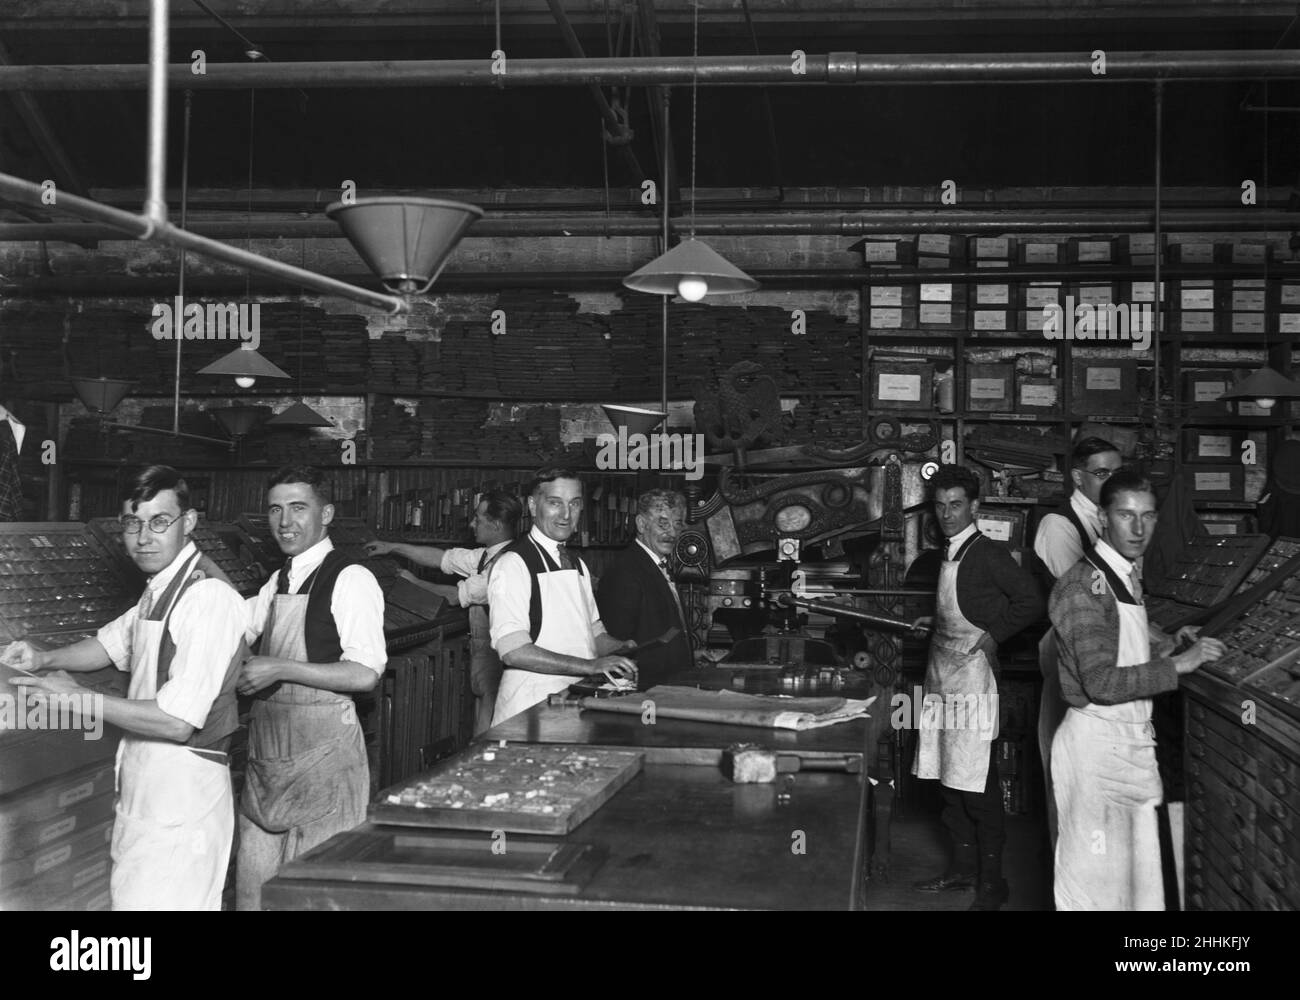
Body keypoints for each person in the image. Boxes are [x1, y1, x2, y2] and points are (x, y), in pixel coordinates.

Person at [2, 465, 245, 910]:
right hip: (149, 793)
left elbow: (176, 722)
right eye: (133, 523)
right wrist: (43, 658)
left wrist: (77, 698)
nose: (143, 537)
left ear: (188, 523)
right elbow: (108, 645)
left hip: (181, 800)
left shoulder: (207, 599)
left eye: (159, 522)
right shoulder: (160, 590)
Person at [1049, 468, 1224, 911]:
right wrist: (1179, 664)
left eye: (1148, 516)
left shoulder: (1122, 574)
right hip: (1097, 753)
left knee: (1139, 893)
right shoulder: (1082, 587)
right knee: (1094, 893)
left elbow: (1125, 628)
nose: (1139, 528)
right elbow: (1101, 681)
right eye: (1126, 515)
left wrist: (1168, 639)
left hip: (1129, 747)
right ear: (1102, 518)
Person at [236, 466, 387, 911]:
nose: (285, 521)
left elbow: (365, 673)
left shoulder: (351, 577)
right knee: (254, 896)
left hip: (324, 764)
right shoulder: (279, 579)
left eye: (298, 508)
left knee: (314, 898)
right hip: (270, 759)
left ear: (326, 514)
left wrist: (281, 668)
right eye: (275, 509)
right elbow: (239, 626)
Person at [912, 464, 1044, 911]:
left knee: (977, 785)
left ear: (974, 507)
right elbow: (965, 603)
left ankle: (993, 883)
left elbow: (1031, 600)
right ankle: (962, 870)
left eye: (956, 505)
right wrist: (936, 622)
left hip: (971, 678)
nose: (947, 514)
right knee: (947, 783)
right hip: (939, 674)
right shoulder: (948, 551)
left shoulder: (986, 552)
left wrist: (994, 635)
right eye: (940, 505)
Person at [488, 466, 636, 726]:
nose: (566, 515)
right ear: (533, 506)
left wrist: (622, 650)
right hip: (528, 708)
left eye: (574, 504)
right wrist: (591, 666)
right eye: (555, 503)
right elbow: (513, 652)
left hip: (574, 701)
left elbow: (593, 633)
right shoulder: (513, 564)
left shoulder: (577, 564)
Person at [366, 491, 522, 733]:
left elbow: (453, 596)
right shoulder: (488, 556)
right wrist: (393, 547)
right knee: (482, 721)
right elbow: (443, 558)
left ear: (496, 524)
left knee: (492, 728)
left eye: (478, 519)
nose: (472, 524)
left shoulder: (507, 564)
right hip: (484, 654)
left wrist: (412, 581)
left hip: (500, 658)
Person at [1031, 436, 1122, 846]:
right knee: (1068, 774)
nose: (1113, 481)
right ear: (1077, 477)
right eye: (1103, 473)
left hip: (1102, 657)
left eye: (1118, 473)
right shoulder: (1058, 525)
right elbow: (1089, 596)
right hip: (1068, 653)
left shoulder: (1109, 520)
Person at [596, 489, 694, 690]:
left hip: (668, 688)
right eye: (663, 523)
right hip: (646, 692)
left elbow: (657, 632)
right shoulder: (625, 572)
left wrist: (689, 652)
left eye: (677, 524)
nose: (673, 533)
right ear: (641, 524)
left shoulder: (659, 564)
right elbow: (620, 648)